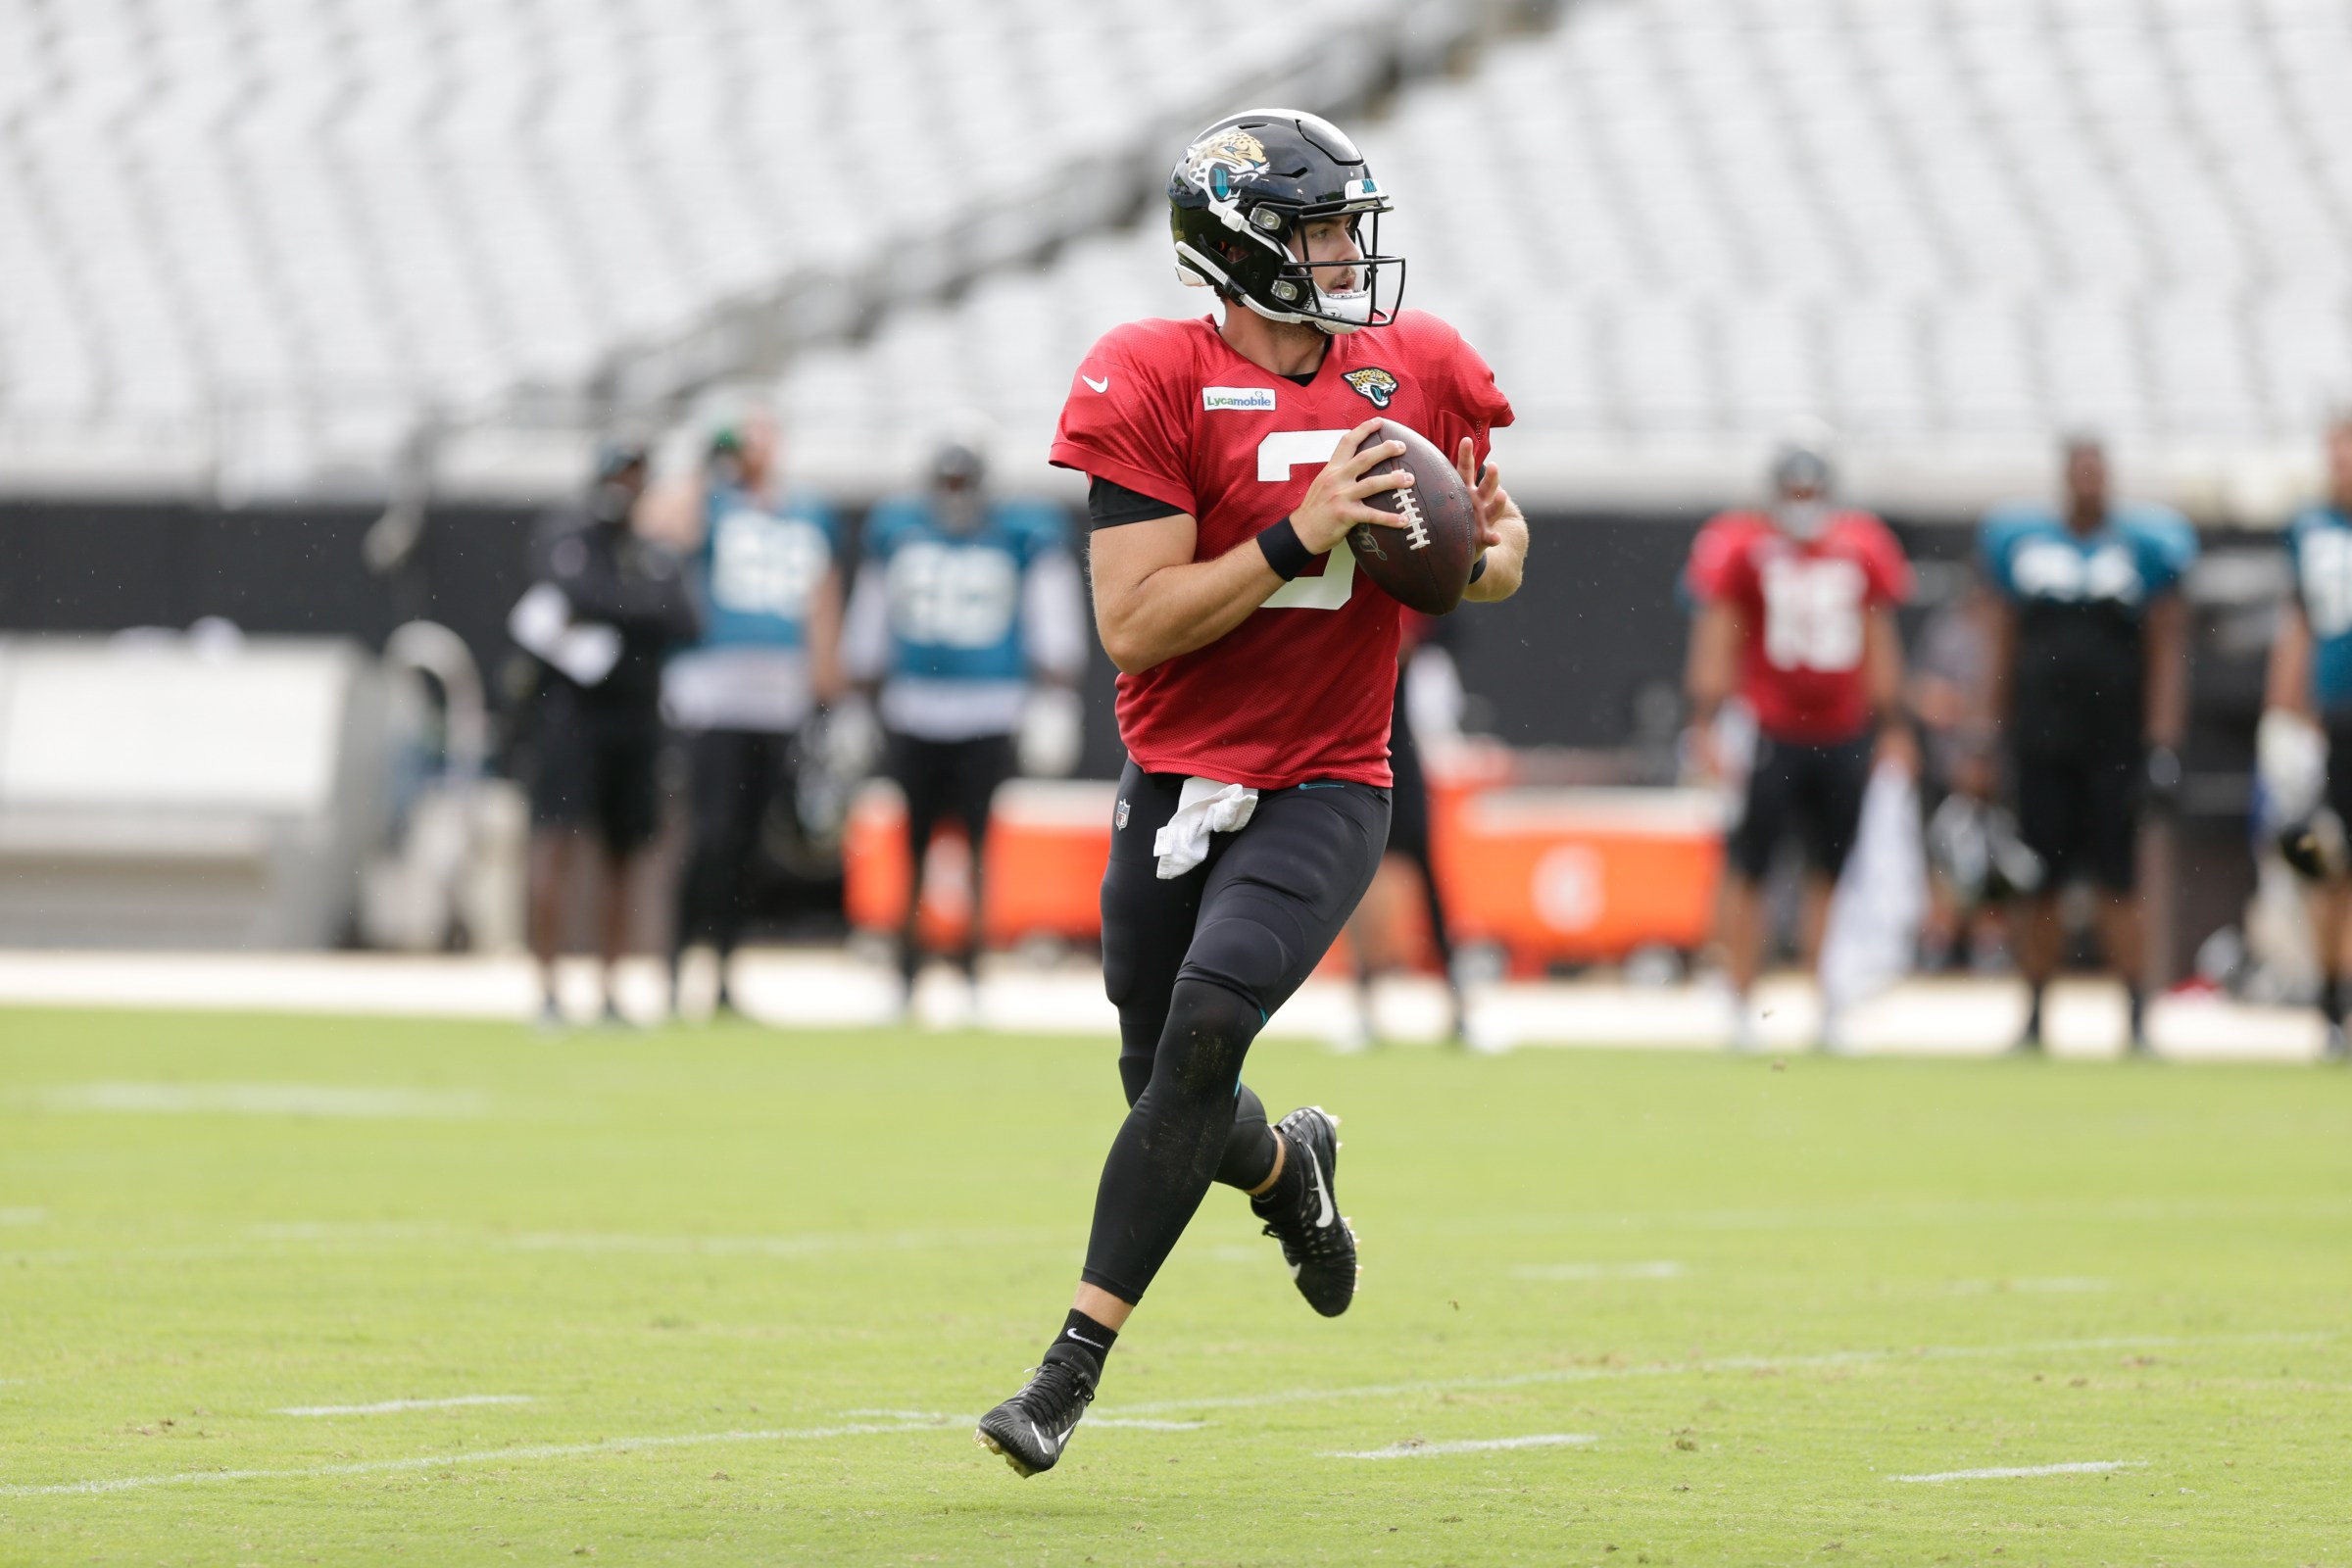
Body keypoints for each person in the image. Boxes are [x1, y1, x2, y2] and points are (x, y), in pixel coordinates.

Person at [972, 109, 1528, 1478]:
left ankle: (1066, 1371)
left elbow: (1490, 549)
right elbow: (1134, 626)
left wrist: (1488, 558)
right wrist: (1295, 533)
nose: (1347, 257)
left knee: (1210, 1023)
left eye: (1347, 229)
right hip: (1176, 775)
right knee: (1163, 1077)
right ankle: (1291, 1173)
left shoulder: (1418, 364)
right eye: (1321, 231)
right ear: (1240, 247)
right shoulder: (1150, 375)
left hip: (1330, 776)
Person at [840, 428, 1089, 1009]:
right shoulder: (898, 530)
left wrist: (1055, 698)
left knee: (978, 844)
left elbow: (1051, 616)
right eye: (947, 481)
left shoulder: (1021, 533)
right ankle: (906, 971)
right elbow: (871, 617)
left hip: (988, 706)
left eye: (963, 481)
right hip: (913, 704)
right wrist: (855, 699)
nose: (954, 493)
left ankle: (973, 968)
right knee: (913, 843)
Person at [1683, 441, 1914, 1049]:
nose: (1804, 501)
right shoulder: (1742, 543)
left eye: (1813, 489)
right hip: (1769, 725)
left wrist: (1893, 724)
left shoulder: (1863, 543)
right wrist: (1705, 718)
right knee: (1751, 866)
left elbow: (1878, 634)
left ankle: (1828, 999)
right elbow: (1718, 629)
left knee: (1829, 871)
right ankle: (1738, 996)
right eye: (1794, 489)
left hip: (1843, 727)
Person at [1980, 435, 2196, 1054]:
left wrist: (2163, 742)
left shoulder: (2143, 549)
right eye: (2079, 469)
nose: (2088, 481)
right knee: (2038, 881)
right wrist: (1986, 732)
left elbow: (2166, 649)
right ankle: (2034, 1014)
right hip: (2042, 742)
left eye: (2096, 470)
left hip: (2115, 744)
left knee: (2118, 882)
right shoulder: (2024, 547)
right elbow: (2001, 643)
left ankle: (2135, 1016)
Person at [509, 441, 701, 1027]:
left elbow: (684, 618)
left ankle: (611, 989)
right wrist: (634, 608)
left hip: (635, 717)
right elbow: (576, 593)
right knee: (556, 844)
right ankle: (548, 990)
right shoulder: (567, 537)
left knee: (625, 853)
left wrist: (614, 609)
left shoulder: (651, 550)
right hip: (570, 717)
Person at [660, 414, 841, 1016]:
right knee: (707, 833)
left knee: (749, 840)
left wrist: (826, 680)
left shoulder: (806, 511)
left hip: (779, 690)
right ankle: (675, 965)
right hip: (717, 688)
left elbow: (821, 595)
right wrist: (707, 464)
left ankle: (724, 971)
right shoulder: (710, 498)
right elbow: (661, 527)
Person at [2259, 414, 2352, 1060]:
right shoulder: (2311, 530)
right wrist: (2283, 718)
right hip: (2336, 719)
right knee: (2329, 863)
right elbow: (2298, 627)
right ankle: (2332, 1004)